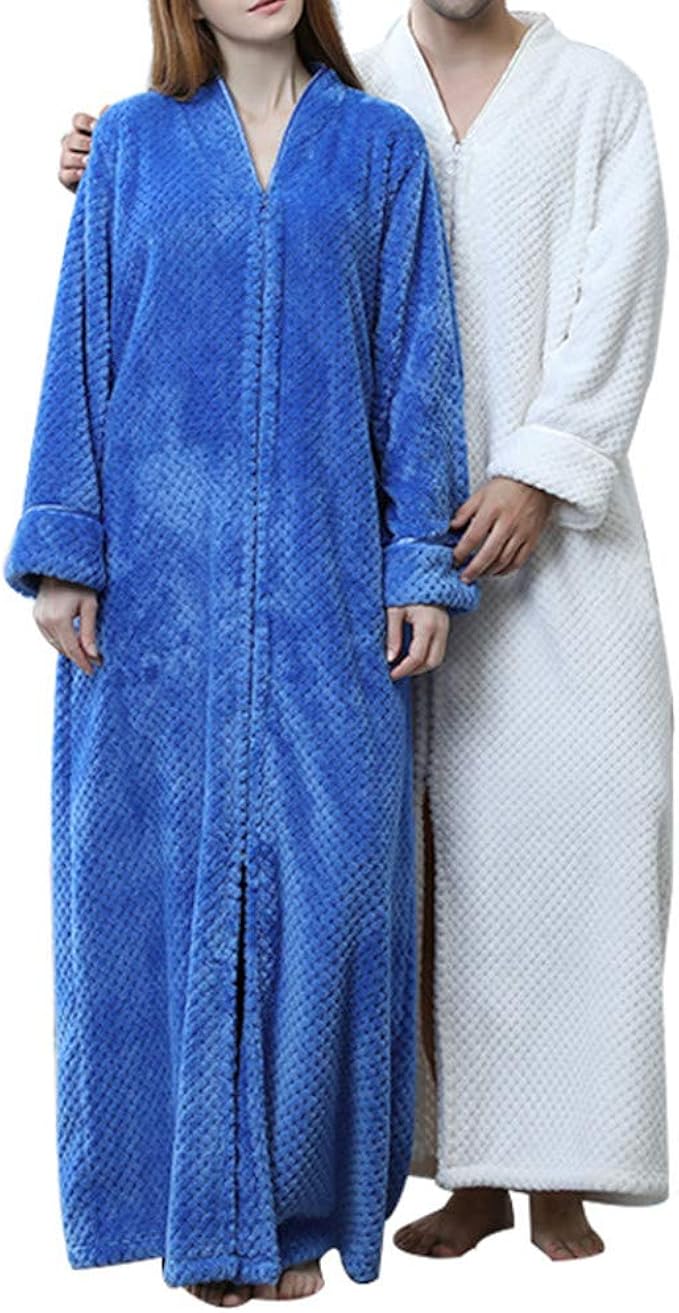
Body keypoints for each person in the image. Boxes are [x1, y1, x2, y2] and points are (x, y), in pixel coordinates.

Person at [57, 0, 675, 1274]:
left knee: (536, 846)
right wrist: (105, 151)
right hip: (262, 575)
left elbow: (525, 320)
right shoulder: (320, 106)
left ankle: (550, 1164)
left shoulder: (523, 108)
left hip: (480, 546)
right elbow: (125, 294)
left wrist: (516, 484)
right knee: (373, 874)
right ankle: (431, 1170)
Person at [6, 0, 479, 1305]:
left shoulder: (378, 148)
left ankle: (295, 1210)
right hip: (156, 606)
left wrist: (416, 558)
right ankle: (203, 1222)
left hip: (331, 600)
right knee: (156, 895)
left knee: (333, 894)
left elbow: (418, 363)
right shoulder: (131, 146)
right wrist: (64, 545)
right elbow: (83, 340)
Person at [353, 0, 673, 1263]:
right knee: (430, 854)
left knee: (588, 830)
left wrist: (543, 466)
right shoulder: (353, 87)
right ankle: (472, 1169)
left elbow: (620, 291)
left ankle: (564, 1170)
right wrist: (112, 149)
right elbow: (254, 190)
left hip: (569, 549)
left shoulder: (597, 92)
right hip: (392, 540)